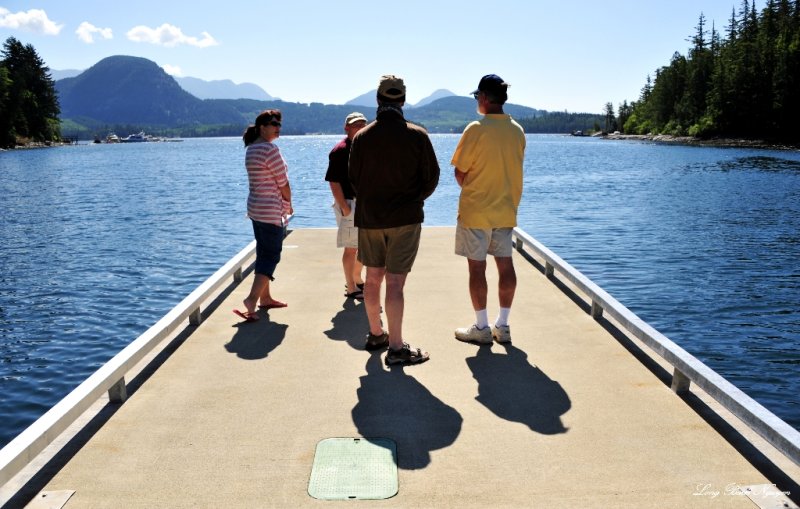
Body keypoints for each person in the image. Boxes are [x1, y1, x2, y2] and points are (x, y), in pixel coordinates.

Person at [349, 75, 440, 364]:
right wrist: (414, 200)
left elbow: (354, 180)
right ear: (402, 100)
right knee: (396, 284)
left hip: (370, 218)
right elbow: (431, 178)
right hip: (405, 217)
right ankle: (397, 349)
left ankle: (377, 334)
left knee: (373, 278)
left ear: (377, 100)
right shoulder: (418, 135)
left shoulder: (362, 137)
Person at [452, 74, 526, 344]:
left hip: (476, 211)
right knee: (505, 265)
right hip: (505, 210)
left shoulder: (476, 129)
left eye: (476, 97)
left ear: (484, 97)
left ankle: (481, 328)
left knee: (477, 269)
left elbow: (460, 173)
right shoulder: (517, 130)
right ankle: (503, 326)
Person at [233, 109, 293, 322]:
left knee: (263, 251)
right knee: (271, 255)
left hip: (256, 209)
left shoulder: (251, 149)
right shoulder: (270, 150)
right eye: (273, 124)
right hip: (270, 210)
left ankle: (265, 298)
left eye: (279, 124)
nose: (278, 128)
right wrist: (290, 203)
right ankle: (251, 299)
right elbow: (283, 182)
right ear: (262, 127)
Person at [325, 112, 368, 300]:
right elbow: (333, 182)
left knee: (365, 247)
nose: (359, 127)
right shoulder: (340, 150)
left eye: (362, 124)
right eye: (355, 125)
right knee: (351, 248)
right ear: (347, 128)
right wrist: (344, 207)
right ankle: (351, 287)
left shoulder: (366, 146)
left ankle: (357, 278)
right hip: (349, 203)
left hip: (365, 204)